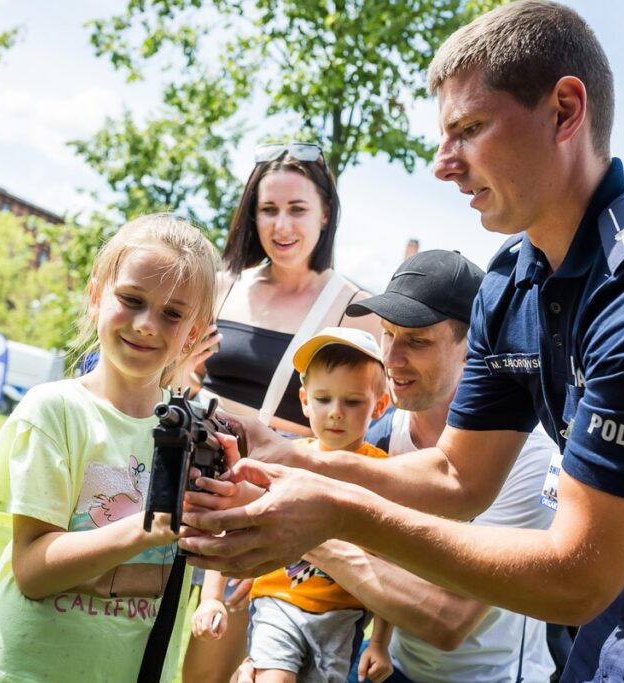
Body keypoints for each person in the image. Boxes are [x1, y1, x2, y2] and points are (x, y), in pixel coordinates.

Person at [180, 2, 624, 681]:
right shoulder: (510, 284)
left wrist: (334, 513)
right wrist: (293, 455)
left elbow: (574, 577)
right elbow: (455, 477)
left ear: (564, 111)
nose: (443, 164)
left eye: (469, 129)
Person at [230, 250, 559, 683]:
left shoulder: (529, 457)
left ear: (473, 346)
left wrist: (311, 532)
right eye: (387, 334)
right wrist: (269, 645)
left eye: (417, 342)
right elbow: (339, 582)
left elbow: (448, 620)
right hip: (394, 666)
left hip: (490, 676)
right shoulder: (382, 434)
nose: (392, 358)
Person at [0, 214, 218, 683]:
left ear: (193, 334)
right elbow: (33, 572)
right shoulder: (55, 410)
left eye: (172, 314)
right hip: (21, 671)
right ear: (96, 297)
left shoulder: (198, 432)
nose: (147, 325)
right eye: (131, 300)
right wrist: (146, 528)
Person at [183, 140, 381, 683]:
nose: (281, 225)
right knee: (189, 665)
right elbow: (183, 382)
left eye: (297, 208)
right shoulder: (222, 287)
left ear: (325, 214)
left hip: (273, 505)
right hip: (195, 488)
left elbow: (368, 415)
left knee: (253, 667)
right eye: (268, 209)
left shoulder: (355, 308)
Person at [198, 327, 394, 682]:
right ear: (305, 400)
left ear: (379, 405)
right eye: (323, 399)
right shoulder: (283, 460)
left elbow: (392, 560)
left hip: (343, 615)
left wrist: (379, 642)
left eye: (352, 402)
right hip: (277, 601)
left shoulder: (384, 473)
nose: (335, 413)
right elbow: (235, 520)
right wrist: (211, 598)